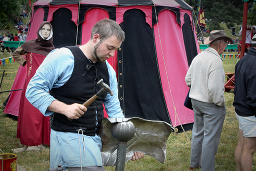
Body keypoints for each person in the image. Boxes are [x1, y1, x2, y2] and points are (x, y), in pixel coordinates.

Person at [26, 19, 143, 170]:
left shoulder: (109, 71)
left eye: (116, 49)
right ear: (96, 38)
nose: (112, 54)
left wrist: (129, 142)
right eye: (110, 47)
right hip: (67, 135)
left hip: (95, 138)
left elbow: (114, 110)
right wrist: (64, 108)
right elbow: (33, 90)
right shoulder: (62, 57)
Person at [185, 30, 232, 171]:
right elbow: (215, 90)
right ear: (221, 43)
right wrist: (220, 103)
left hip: (196, 100)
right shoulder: (216, 61)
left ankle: (194, 163)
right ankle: (207, 168)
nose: (226, 47)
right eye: (226, 44)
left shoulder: (199, 57)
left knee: (198, 133)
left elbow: (188, 79)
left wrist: (198, 88)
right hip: (210, 104)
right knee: (210, 139)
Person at [12, 21, 55, 153]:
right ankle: (28, 143)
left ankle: (38, 144)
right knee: (28, 113)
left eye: (48, 29)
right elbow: (16, 53)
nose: (46, 32)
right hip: (29, 83)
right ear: (39, 30)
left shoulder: (52, 50)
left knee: (40, 113)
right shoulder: (29, 44)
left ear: (51, 32)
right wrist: (25, 62)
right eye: (43, 29)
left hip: (44, 86)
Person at [233, 34, 256, 171]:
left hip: (241, 109)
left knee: (242, 145)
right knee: (249, 149)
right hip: (250, 112)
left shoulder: (244, 59)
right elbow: (254, 96)